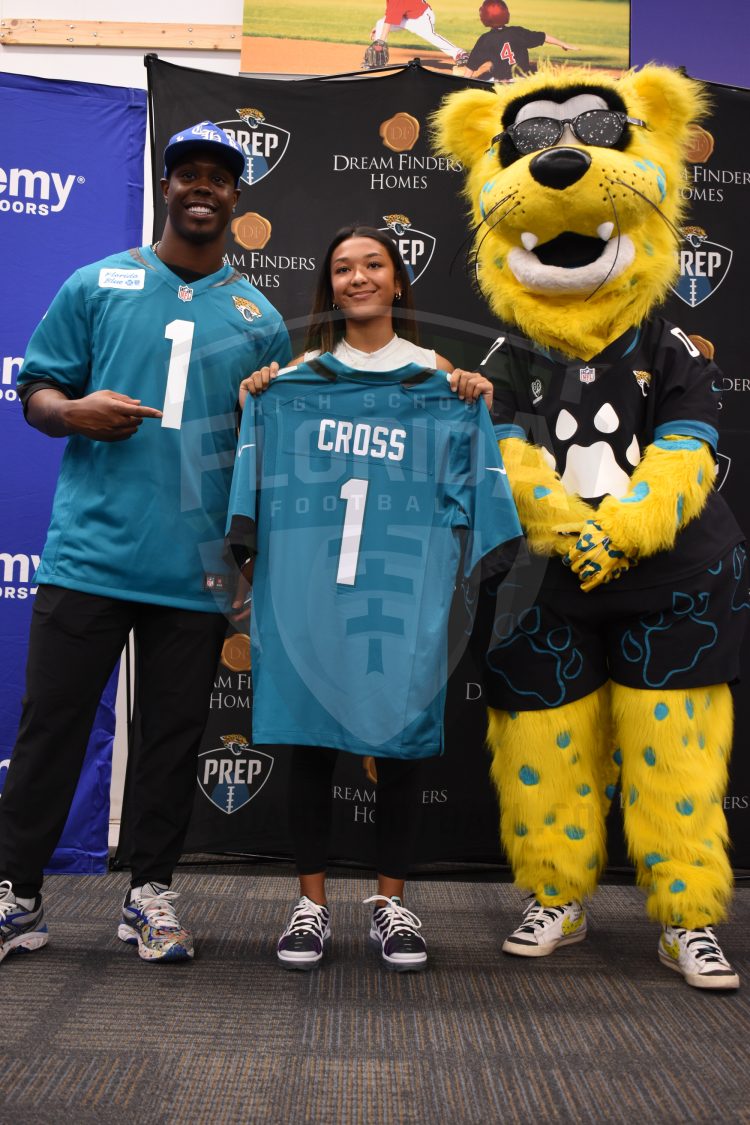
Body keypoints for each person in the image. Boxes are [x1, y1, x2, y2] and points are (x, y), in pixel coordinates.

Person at [0, 121, 290, 965]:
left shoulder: (260, 317)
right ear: (166, 186)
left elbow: (262, 453)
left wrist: (245, 559)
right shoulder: (97, 283)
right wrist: (74, 411)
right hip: (90, 555)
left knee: (171, 738)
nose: (203, 188)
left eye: (220, 178)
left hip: (194, 569)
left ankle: (149, 893)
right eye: (188, 175)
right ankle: (16, 890)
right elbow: (40, 389)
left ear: (237, 196)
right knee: (51, 728)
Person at [229, 225, 521, 972]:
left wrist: (473, 404)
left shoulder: (439, 382)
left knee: (398, 744)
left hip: (398, 587)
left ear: (396, 281)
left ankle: (391, 901)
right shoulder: (295, 380)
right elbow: (250, 492)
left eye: (373, 265)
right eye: (343, 269)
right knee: (310, 740)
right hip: (311, 589)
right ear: (330, 287)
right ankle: (311, 903)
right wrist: (259, 397)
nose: (358, 278)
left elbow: (480, 492)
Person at [462, 1, 579, 83]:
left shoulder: (485, 39)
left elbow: (471, 68)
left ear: (484, 17)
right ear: (506, 14)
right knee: (541, 75)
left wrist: (461, 84)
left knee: (485, 76)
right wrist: (563, 44)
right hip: (522, 83)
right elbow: (543, 37)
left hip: (501, 85)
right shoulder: (517, 32)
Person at [365, 0, 469, 69]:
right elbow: (390, 12)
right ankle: (378, 60)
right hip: (406, 16)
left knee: (430, 36)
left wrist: (381, 40)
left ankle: (459, 53)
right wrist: (380, 28)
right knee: (380, 24)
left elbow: (391, 17)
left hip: (421, 17)